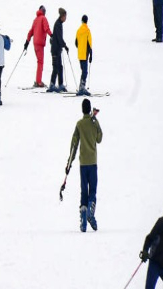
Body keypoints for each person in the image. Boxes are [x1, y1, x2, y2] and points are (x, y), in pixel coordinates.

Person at [66, 98, 102, 232]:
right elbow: (99, 138)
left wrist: (69, 162)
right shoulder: (93, 123)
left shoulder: (79, 124)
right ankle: (91, 211)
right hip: (93, 162)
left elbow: (74, 144)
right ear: (90, 109)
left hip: (83, 164)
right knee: (93, 189)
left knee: (83, 191)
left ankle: (83, 220)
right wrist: (96, 122)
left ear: (82, 110)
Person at [24, 5, 52, 88]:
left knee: (39, 61)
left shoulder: (35, 20)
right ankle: (38, 82)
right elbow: (46, 28)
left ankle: (38, 80)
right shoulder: (43, 18)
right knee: (40, 62)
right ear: (43, 11)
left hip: (35, 43)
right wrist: (52, 35)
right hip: (40, 43)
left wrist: (27, 42)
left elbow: (30, 32)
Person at [47, 8, 69, 93]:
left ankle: (60, 84)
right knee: (56, 67)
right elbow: (59, 38)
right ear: (62, 16)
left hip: (58, 49)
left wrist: (63, 46)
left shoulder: (60, 24)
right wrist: (65, 45)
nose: (65, 18)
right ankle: (52, 84)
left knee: (60, 67)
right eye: (65, 16)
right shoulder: (58, 24)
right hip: (55, 50)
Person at [75, 15, 93, 96]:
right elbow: (90, 44)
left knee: (83, 71)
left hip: (80, 54)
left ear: (82, 21)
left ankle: (81, 87)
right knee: (85, 72)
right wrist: (90, 55)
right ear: (87, 21)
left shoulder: (78, 30)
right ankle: (82, 88)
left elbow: (76, 43)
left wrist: (80, 49)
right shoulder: (87, 30)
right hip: (85, 54)